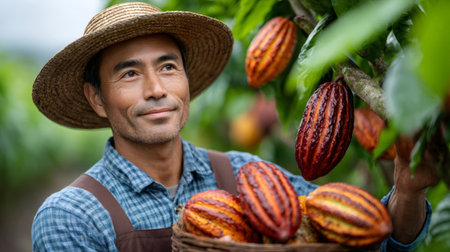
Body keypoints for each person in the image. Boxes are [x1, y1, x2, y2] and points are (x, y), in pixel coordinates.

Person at [31, 2, 441, 252]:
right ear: (96, 97)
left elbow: (371, 239)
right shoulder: (73, 216)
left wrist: (406, 190)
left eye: (168, 67)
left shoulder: (246, 174)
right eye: (129, 74)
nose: (157, 90)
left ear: (186, 81)